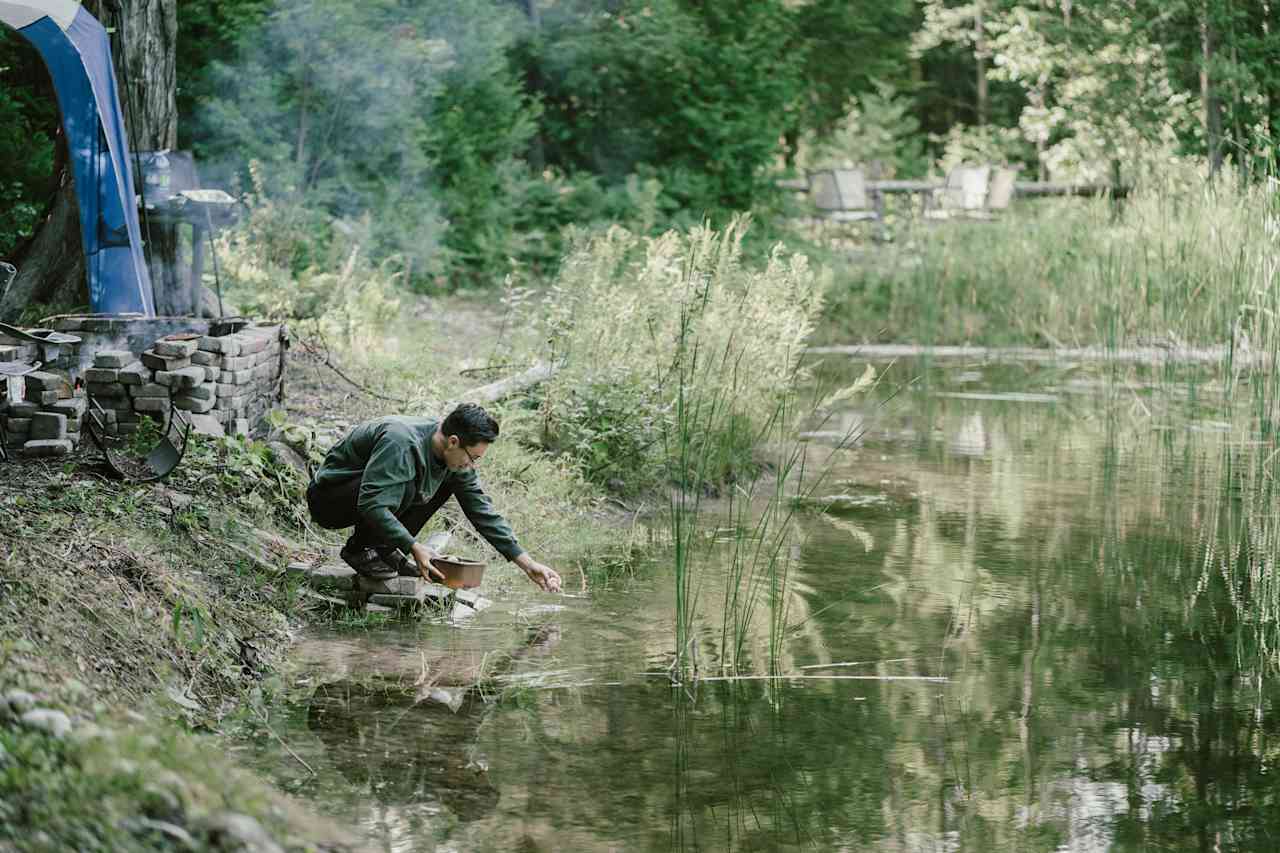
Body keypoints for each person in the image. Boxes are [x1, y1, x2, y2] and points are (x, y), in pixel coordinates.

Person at [306, 403, 561, 592]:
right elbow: (371, 503)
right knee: (407, 482)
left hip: (369, 496)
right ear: (453, 441)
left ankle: (383, 549)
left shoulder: (454, 459)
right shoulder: (401, 441)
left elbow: (481, 511)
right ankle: (360, 550)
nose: (472, 466)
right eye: (473, 458)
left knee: (446, 481)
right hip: (330, 500)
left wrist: (527, 564)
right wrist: (414, 546)